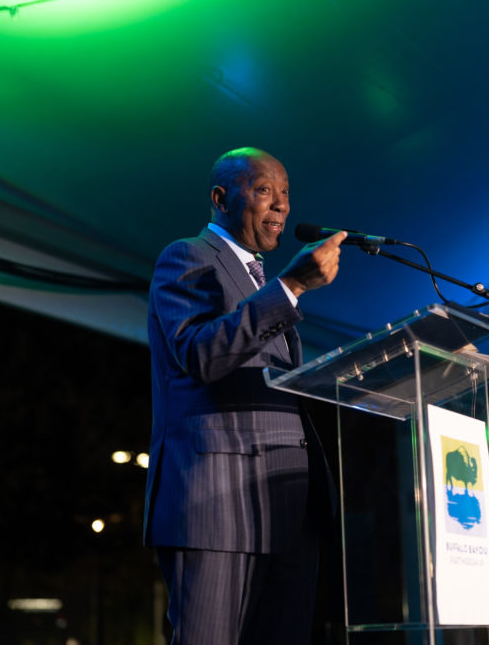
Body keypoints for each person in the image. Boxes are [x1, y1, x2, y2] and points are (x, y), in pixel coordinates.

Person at [143, 147, 347, 644]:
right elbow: (199, 354)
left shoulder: (260, 281)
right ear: (221, 198)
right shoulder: (188, 257)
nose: (280, 206)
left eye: (285, 195)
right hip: (218, 505)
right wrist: (293, 284)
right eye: (262, 191)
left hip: (286, 506)